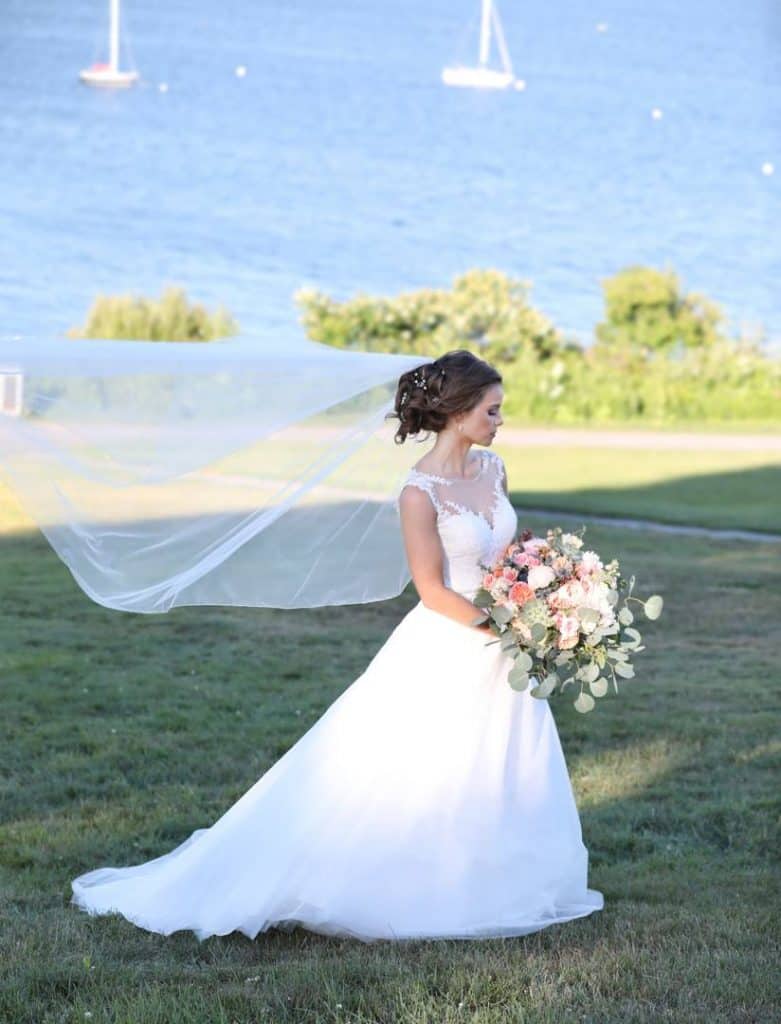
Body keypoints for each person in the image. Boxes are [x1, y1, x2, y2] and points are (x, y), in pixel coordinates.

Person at [71, 349, 604, 942]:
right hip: (456, 637)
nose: (499, 421)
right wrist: (507, 628)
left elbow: (506, 554)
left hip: (508, 635)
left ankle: (503, 876)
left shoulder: (495, 469)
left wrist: (548, 591)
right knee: (416, 767)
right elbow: (431, 588)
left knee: (505, 762)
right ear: (457, 412)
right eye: (492, 409)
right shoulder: (418, 492)